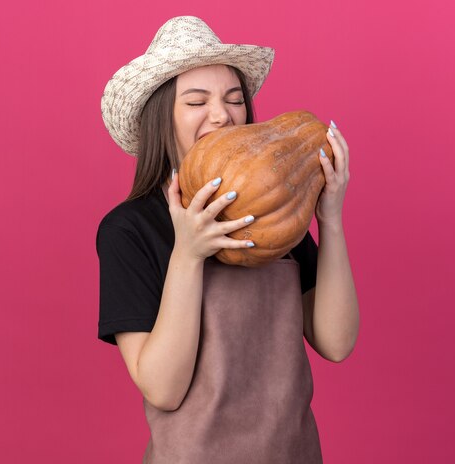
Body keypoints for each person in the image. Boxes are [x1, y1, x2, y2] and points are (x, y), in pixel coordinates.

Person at [97, 15, 359, 463]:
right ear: (164, 118)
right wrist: (188, 253)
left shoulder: (273, 208)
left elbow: (335, 342)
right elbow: (163, 388)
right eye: (196, 102)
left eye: (234, 100)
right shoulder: (131, 229)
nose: (222, 115)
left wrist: (328, 219)